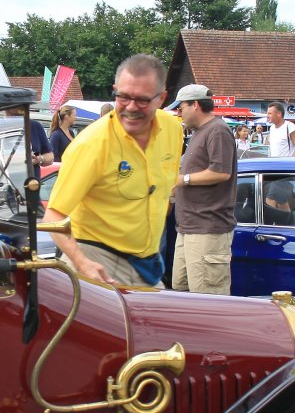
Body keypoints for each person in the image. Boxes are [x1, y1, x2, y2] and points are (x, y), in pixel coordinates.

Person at [41, 54, 182, 287]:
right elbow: (53, 217)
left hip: (147, 265)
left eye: (142, 100)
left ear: (162, 98)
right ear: (115, 90)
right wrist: (81, 263)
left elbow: (164, 188)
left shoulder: (172, 130)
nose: (131, 107)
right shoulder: (92, 144)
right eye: (123, 97)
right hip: (96, 261)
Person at [170, 84, 237, 296]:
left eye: (180, 108)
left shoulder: (218, 130)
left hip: (208, 228)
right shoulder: (201, 132)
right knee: (181, 290)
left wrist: (183, 179)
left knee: (207, 298)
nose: (178, 113)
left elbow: (221, 172)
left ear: (195, 105)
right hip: (190, 226)